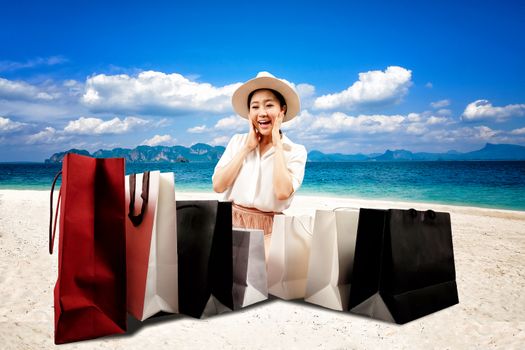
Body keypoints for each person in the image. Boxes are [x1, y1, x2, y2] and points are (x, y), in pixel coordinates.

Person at [212, 71, 307, 258]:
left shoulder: (295, 150)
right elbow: (218, 185)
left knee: (262, 282)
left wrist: (277, 144)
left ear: (282, 110)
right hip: (230, 221)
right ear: (249, 114)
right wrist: (247, 148)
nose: (262, 113)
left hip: (271, 229)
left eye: (269, 105)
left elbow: (282, 192)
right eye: (255, 107)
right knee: (226, 282)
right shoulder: (237, 142)